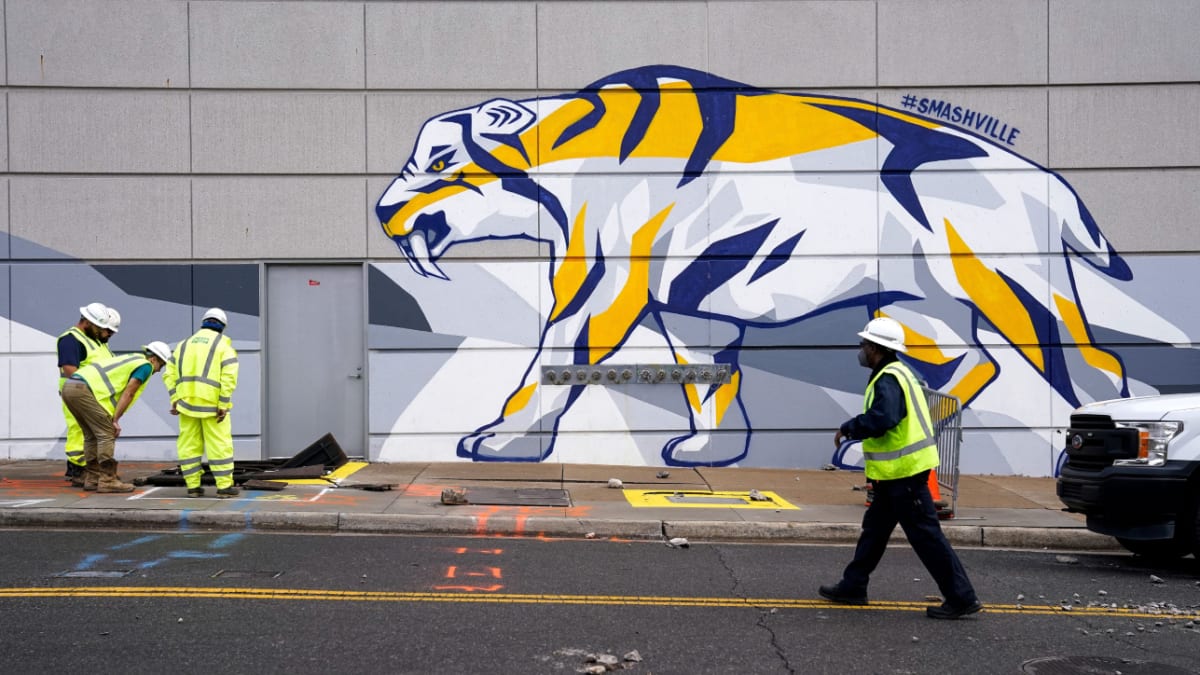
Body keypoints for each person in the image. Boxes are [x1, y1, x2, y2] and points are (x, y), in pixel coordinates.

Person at [819, 317, 983, 620]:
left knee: (927, 538)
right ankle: (854, 586)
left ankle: (961, 597)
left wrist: (850, 427)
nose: (861, 350)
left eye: (864, 344)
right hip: (894, 477)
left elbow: (885, 418)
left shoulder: (888, 378)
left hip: (905, 476)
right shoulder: (898, 372)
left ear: (876, 348)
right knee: (874, 532)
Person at [60, 342, 172, 493]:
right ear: (154, 359)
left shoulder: (133, 358)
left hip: (71, 386)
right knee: (106, 433)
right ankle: (107, 480)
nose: (158, 371)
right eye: (161, 365)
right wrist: (115, 420)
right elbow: (129, 393)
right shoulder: (146, 365)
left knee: (91, 436)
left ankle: (92, 479)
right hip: (84, 390)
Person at [162, 308, 240, 499]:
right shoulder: (223, 346)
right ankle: (223, 488)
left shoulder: (183, 345)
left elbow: (169, 374)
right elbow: (228, 378)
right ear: (222, 327)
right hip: (213, 406)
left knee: (189, 445)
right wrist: (223, 403)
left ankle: (193, 488)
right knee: (219, 444)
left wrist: (175, 398)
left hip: (186, 404)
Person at [56, 302, 116, 484]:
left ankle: (92, 471)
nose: (102, 331)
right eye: (99, 327)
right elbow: (69, 370)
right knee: (78, 431)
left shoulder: (94, 341)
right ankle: (78, 470)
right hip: (79, 394)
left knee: (91, 433)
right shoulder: (70, 339)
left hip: (93, 395)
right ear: (87, 322)